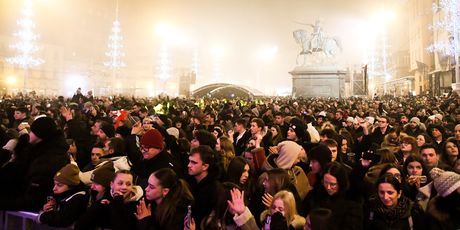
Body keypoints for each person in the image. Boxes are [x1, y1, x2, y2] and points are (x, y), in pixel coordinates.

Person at [0, 116, 70, 211]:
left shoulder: (46, 161)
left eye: (32, 131)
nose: (29, 133)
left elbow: (32, 199)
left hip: (32, 211)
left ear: (39, 135)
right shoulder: (41, 151)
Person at [301, 162, 362, 229]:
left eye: (333, 184)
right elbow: (303, 213)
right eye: (325, 182)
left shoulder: (352, 203)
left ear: (341, 183)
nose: (328, 187)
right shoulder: (315, 194)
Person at [75, 170, 143, 230]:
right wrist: (98, 206)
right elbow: (79, 225)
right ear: (111, 185)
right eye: (120, 183)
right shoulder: (104, 200)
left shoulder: (137, 204)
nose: (124, 187)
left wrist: (117, 202)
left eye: (128, 184)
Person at [187, 145, 223, 230]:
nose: (189, 165)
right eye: (189, 161)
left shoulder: (214, 190)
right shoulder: (189, 181)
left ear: (205, 166)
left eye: (194, 162)